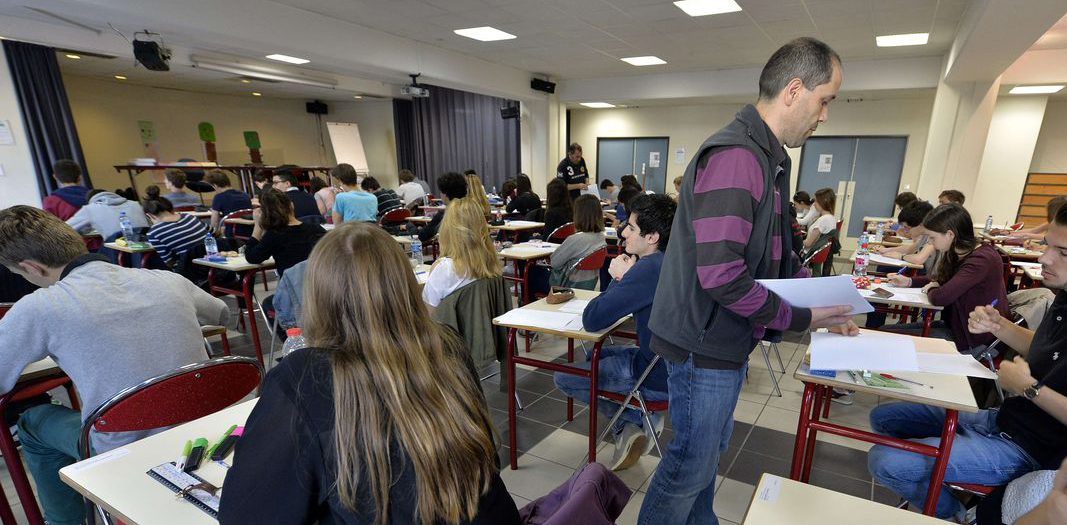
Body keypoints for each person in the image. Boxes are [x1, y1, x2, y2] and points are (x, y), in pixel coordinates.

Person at [641, 37, 858, 525]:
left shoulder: (769, 158)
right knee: (688, 466)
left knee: (705, 460)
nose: (823, 116)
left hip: (723, 336)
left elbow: (775, 257)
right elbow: (723, 276)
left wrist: (831, 301)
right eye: (824, 101)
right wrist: (801, 316)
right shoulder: (740, 155)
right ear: (794, 90)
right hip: (703, 341)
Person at [218, 222, 519, 525]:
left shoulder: (302, 377)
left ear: (319, 296)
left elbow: (244, 514)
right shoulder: (447, 346)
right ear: (404, 285)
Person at [1, 206, 228, 525]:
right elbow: (222, 314)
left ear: (31, 268)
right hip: (207, 429)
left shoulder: (39, 308)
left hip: (125, 446)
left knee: (32, 421)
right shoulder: (167, 280)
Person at [868, 203, 1067, 520]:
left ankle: (957, 514)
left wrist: (1028, 388)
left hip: (1029, 450)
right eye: (1046, 246)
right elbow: (1046, 348)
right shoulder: (1063, 297)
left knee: (885, 460)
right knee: (885, 419)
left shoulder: (982, 256)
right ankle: (937, 477)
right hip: (1003, 420)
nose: (1044, 258)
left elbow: (941, 294)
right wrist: (1000, 326)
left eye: (1063, 252)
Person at [553, 194, 676, 471]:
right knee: (600, 354)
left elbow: (593, 318)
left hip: (654, 375)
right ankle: (636, 416)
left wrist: (621, 278)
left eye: (631, 228)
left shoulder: (647, 269)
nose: (623, 232)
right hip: (670, 364)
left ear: (653, 236)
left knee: (564, 377)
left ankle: (629, 421)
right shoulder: (673, 260)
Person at [886, 203, 1010, 352]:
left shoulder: (981, 260)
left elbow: (940, 297)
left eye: (932, 237)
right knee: (885, 331)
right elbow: (942, 279)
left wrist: (934, 287)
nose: (930, 242)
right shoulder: (960, 251)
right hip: (956, 326)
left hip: (972, 340)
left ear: (950, 234)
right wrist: (909, 281)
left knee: (887, 338)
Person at [422, 198, 501, 308]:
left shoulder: (444, 269)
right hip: (483, 323)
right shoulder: (491, 264)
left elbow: (429, 316)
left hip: (448, 325)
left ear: (447, 229)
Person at [245, 188, 326, 278]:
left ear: (265, 214)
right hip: (320, 284)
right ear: (292, 205)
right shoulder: (316, 229)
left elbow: (252, 257)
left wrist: (257, 226)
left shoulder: (274, 235)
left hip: (292, 288)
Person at [547, 194, 606, 289]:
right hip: (588, 285)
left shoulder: (575, 239)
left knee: (532, 272)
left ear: (578, 214)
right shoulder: (601, 237)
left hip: (565, 286)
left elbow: (554, 262)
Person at [142, 186, 209, 267]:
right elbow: (214, 233)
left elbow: (170, 262)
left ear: (149, 216)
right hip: (214, 265)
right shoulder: (188, 217)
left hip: (190, 272)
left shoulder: (154, 232)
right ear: (172, 208)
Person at [869, 199, 937, 273]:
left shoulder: (933, 235)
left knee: (885, 268)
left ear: (921, 224)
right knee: (884, 266)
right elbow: (910, 249)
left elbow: (919, 259)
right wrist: (886, 250)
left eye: (907, 228)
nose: (905, 231)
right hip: (925, 271)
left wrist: (901, 256)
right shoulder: (924, 233)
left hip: (928, 274)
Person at [65, 188, 149, 239]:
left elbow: (64, 229)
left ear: (91, 201)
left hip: (119, 252)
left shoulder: (90, 209)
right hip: (147, 249)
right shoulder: (135, 204)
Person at [418, 172, 468, 243]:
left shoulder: (444, 215)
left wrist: (409, 227)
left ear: (445, 194)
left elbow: (422, 236)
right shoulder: (472, 210)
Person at [206, 169, 252, 237]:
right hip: (250, 231)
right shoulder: (245, 195)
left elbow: (214, 224)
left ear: (215, 185)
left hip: (232, 233)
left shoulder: (219, 197)